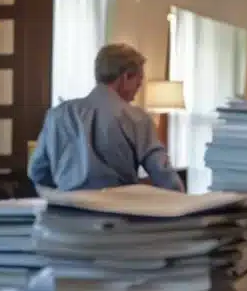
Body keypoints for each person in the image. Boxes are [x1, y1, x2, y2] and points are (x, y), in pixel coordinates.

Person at [28, 43, 184, 192]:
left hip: (66, 212)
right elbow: (162, 174)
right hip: (118, 212)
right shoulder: (138, 119)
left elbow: (37, 171)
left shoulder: (57, 115)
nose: (139, 87)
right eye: (139, 80)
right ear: (125, 78)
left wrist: (66, 190)